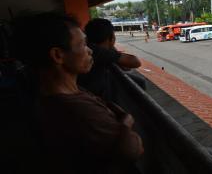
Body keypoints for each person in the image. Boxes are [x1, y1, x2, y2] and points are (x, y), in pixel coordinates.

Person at [12, 12, 144, 174]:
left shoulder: (52, 95)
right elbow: (134, 150)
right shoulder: (78, 110)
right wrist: (126, 122)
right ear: (57, 55)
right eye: (83, 44)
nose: (90, 51)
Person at [79, 18, 144, 103]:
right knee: (140, 82)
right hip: (98, 102)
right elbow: (135, 62)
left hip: (88, 96)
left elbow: (125, 68)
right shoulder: (98, 51)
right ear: (111, 38)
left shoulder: (92, 48)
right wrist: (111, 47)